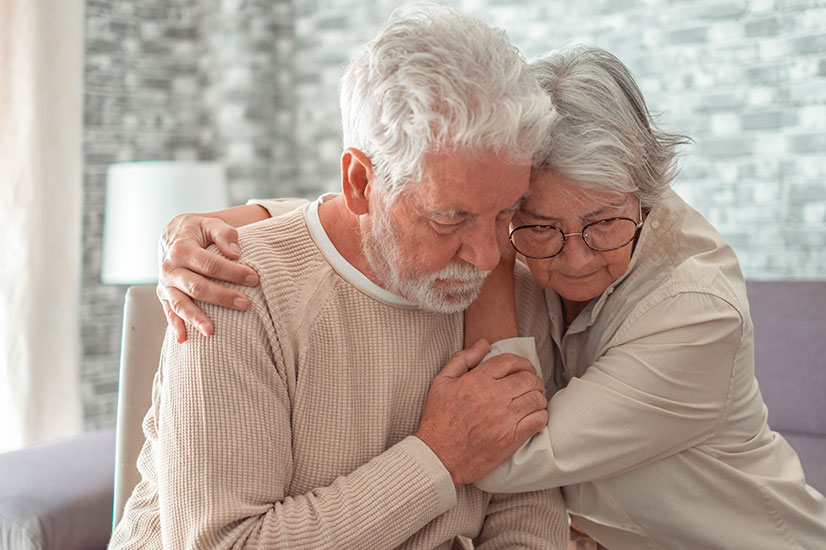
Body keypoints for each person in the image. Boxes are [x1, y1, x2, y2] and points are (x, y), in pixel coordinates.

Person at [157, 47, 826, 549]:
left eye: (606, 223)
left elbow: (506, 455)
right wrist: (228, 224)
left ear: (647, 195)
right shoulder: (239, 288)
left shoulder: (695, 309)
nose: (573, 257)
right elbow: (385, 203)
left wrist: (485, 251)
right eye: (539, 224)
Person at [109, 5, 570, 549]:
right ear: (358, 182)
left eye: (506, 210)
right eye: (451, 217)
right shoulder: (231, 292)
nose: (488, 254)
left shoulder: (508, 284)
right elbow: (222, 544)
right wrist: (439, 457)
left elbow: (527, 514)